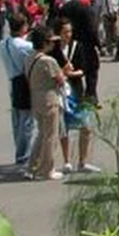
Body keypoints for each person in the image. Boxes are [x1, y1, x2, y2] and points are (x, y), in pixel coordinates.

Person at [49, 15, 98, 174]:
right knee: (63, 128)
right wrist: (63, 72)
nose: (68, 35)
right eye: (65, 32)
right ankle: (67, 161)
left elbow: (82, 69)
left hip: (75, 90)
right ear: (58, 33)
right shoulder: (52, 49)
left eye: (70, 31)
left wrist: (70, 74)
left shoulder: (77, 46)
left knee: (86, 126)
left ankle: (83, 161)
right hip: (59, 92)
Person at [25, 27, 66, 181]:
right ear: (45, 43)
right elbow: (60, 80)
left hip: (35, 97)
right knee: (50, 135)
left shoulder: (30, 57)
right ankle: (46, 169)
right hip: (49, 98)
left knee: (41, 134)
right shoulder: (48, 61)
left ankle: (32, 166)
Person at [0, 13, 34, 169]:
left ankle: (20, 151)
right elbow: (32, 52)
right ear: (23, 27)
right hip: (23, 81)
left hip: (12, 80)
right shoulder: (24, 46)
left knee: (17, 119)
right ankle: (23, 155)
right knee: (27, 121)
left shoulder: (3, 43)